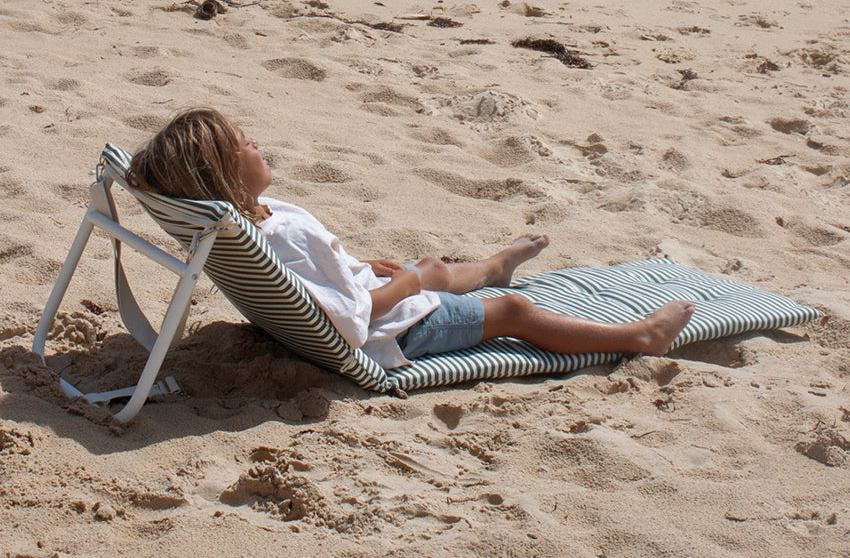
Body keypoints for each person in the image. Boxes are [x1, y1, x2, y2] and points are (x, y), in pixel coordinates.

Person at [128, 109, 695, 369]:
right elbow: (349, 323)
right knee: (514, 310)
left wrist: (357, 265)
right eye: (244, 142)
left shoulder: (248, 221)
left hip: (361, 311)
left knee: (439, 272)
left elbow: (319, 283)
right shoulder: (284, 233)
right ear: (227, 172)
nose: (257, 143)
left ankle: (493, 265)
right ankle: (639, 337)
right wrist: (409, 284)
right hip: (398, 334)